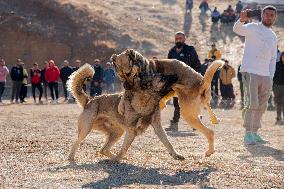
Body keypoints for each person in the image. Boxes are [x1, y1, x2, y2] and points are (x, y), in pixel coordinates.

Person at [233, 6, 278, 145]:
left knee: (261, 106)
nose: (269, 17)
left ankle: (255, 133)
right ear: (262, 15)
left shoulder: (273, 36)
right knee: (251, 103)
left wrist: (271, 77)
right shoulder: (252, 27)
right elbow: (237, 29)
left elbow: (272, 59)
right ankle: (248, 134)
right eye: (267, 14)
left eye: (272, 15)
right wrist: (241, 20)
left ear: (275, 18)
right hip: (250, 71)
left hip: (265, 75)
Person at [166, 31, 201, 131]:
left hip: (189, 82)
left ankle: (195, 123)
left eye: (180, 38)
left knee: (190, 103)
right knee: (177, 103)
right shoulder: (172, 51)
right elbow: (168, 67)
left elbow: (197, 65)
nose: (178, 40)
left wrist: (195, 79)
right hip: (176, 83)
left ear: (184, 39)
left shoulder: (190, 50)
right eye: (177, 38)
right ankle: (174, 124)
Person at [273, 52, 284, 125]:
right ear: (281, 57)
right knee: (278, 103)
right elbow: (272, 74)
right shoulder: (276, 65)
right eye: (283, 56)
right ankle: (278, 117)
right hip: (276, 86)